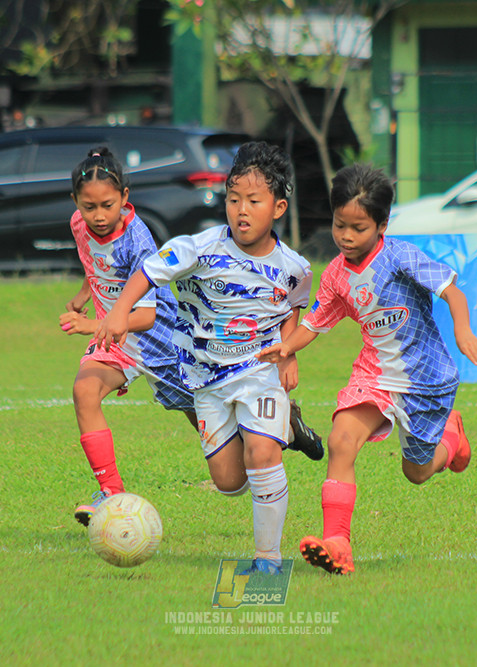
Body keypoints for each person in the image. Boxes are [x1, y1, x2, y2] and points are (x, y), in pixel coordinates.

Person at [256, 163, 477, 575]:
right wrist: (286, 347)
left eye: (358, 228)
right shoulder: (335, 275)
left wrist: (463, 330)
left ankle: (451, 437)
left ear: (382, 225)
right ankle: (338, 543)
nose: (346, 236)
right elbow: (315, 323)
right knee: (341, 440)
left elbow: (452, 292)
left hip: (425, 379)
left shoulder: (400, 257)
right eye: (339, 225)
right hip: (374, 374)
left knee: (416, 472)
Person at [94, 141, 314, 574]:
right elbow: (147, 272)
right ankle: (288, 425)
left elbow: (292, 309)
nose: (241, 211)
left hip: (260, 372)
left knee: (262, 455)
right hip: (205, 377)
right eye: (233, 200)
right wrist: (120, 311)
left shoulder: (295, 267)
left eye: (254, 201)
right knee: (229, 482)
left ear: (278, 207)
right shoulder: (198, 247)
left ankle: (268, 560)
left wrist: (288, 353)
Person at [60, 147, 199, 528]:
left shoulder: (138, 241)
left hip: (160, 339)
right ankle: (111, 494)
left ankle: (281, 428)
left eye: (108, 205)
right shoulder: (78, 223)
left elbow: (147, 316)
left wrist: (93, 325)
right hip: (115, 340)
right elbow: (93, 260)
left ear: (124, 197)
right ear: (75, 202)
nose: (98, 216)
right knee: (84, 391)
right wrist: (85, 294)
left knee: (211, 427)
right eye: (89, 207)